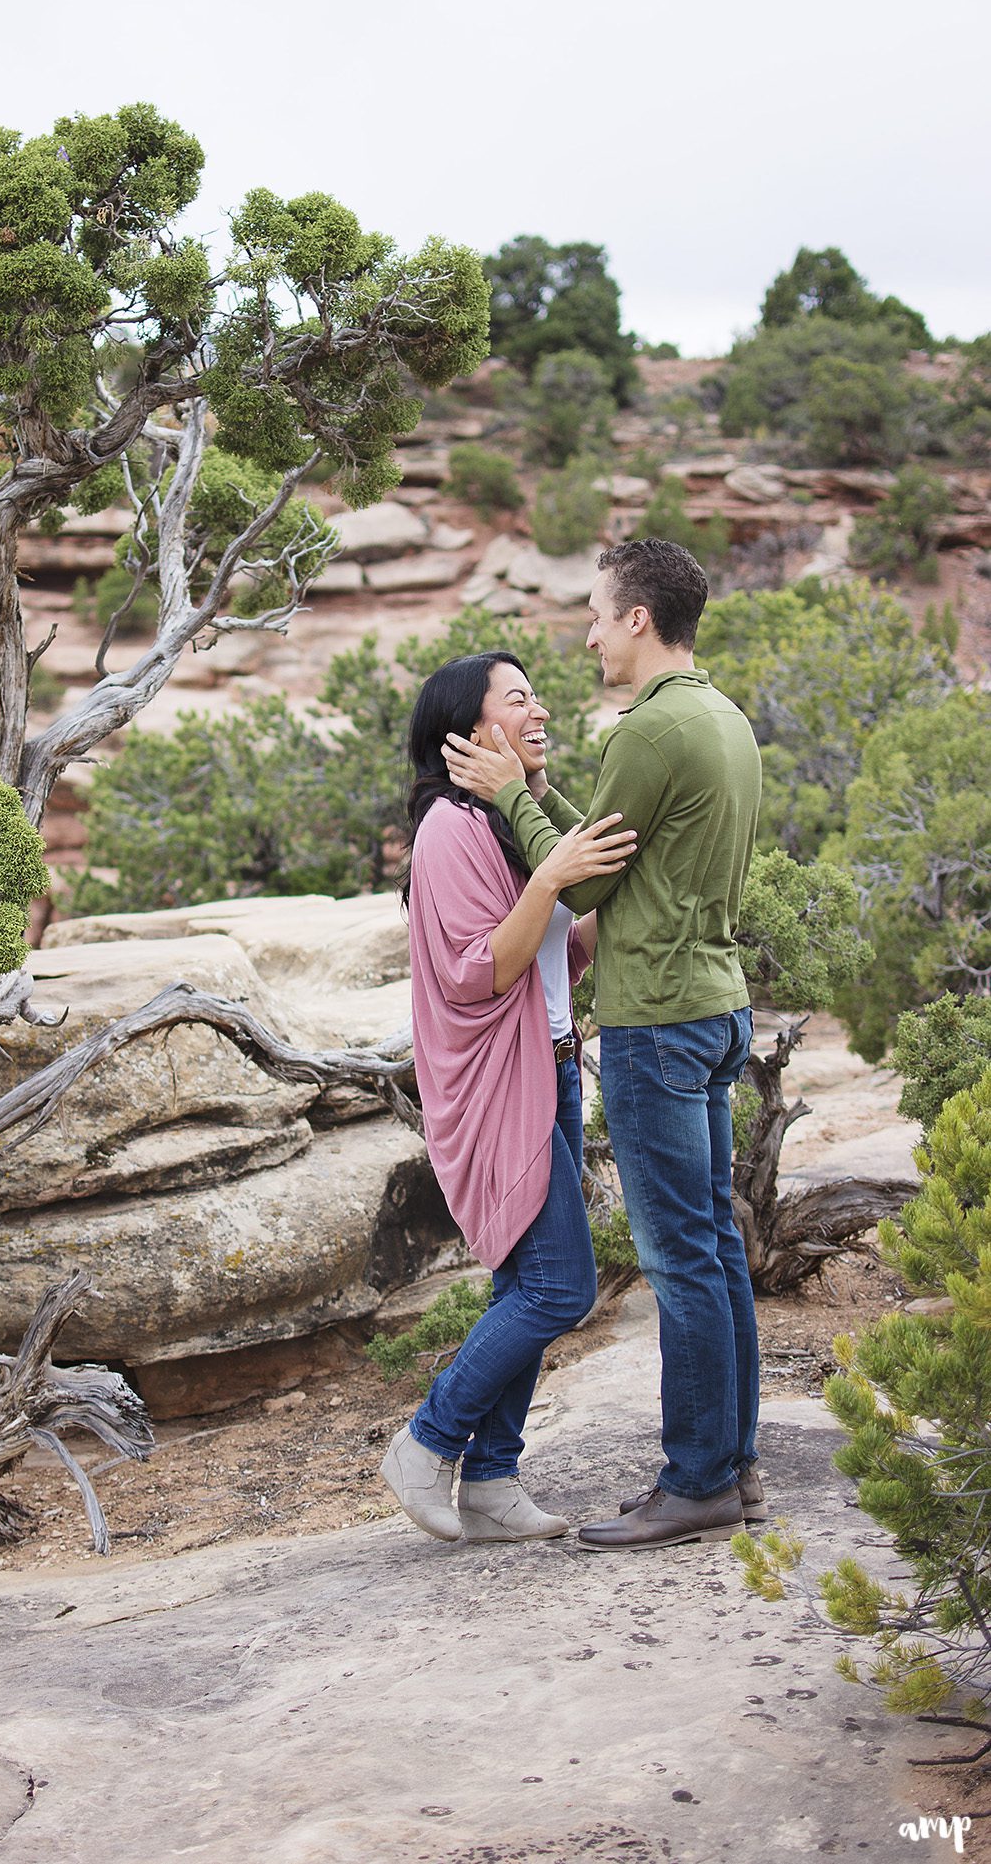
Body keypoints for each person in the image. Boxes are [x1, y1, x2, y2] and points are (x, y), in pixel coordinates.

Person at [445, 538, 763, 1552]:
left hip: (658, 1024)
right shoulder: (721, 719)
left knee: (678, 1261)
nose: (585, 634)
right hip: (716, 1007)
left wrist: (510, 799)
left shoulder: (649, 731)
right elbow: (617, 850)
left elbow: (581, 886)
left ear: (637, 618)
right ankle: (736, 1463)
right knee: (714, 1248)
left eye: (594, 615)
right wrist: (539, 805)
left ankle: (698, 1479)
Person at [379, 650, 636, 1544]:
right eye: (517, 697)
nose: (539, 707)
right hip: (502, 1083)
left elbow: (565, 952)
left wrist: (628, 879)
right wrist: (553, 875)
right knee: (561, 1287)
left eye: (537, 693)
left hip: (555, 1065)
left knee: (523, 1282)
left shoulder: (510, 821)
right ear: (469, 727)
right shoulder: (449, 830)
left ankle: (490, 1478)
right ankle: (428, 1440)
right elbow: (479, 971)